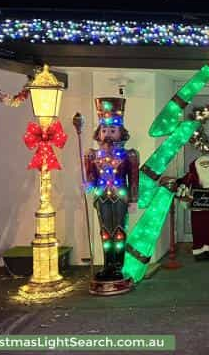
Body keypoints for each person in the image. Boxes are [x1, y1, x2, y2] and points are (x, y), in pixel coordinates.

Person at [84, 98, 139, 289]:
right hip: (102, 197)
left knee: (119, 230)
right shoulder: (92, 155)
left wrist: (133, 200)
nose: (107, 135)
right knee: (105, 231)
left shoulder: (129, 155)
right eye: (104, 130)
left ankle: (118, 264)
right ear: (99, 133)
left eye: (112, 131)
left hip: (121, 196)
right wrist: (88, 184)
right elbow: (90, 177)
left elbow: (133, 179)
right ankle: (107, 264)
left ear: (120, 133)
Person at [177, 155, 209, 261]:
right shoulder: (192, 175)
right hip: (197, 208)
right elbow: (183, 186)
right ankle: (198, 251)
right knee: (198, 228)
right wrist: (187, 198)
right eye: (202, 164)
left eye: (206, 164)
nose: (205, 166)